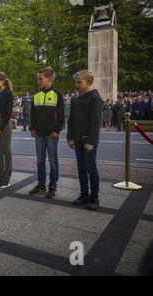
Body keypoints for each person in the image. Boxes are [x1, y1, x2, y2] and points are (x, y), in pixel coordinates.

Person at [67, 70, 103, 210]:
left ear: (88, 81)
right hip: (77, 139)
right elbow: (71, 121)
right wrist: (70, 137)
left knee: (91, 167)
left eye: (79, 82)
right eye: (75, 82)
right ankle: (84, 194)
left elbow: (96, 123)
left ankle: (94, 198)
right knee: (81, 168)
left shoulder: (95, 99)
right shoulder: (75, 99)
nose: (76, 85)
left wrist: (91, 141)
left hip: (89, 140)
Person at [29, 67, 65, 198]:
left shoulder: (57, 94)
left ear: (49, 79)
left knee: (53, 161)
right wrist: (32, 128)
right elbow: (32, 114)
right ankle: (41, 185)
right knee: (39, 161)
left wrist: (57, 130)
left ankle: (52, 187)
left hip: (51, 134)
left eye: (40, 78)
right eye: (38, 78)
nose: (38, 81)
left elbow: (61, 114)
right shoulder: (36, 95)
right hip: (38, 134)